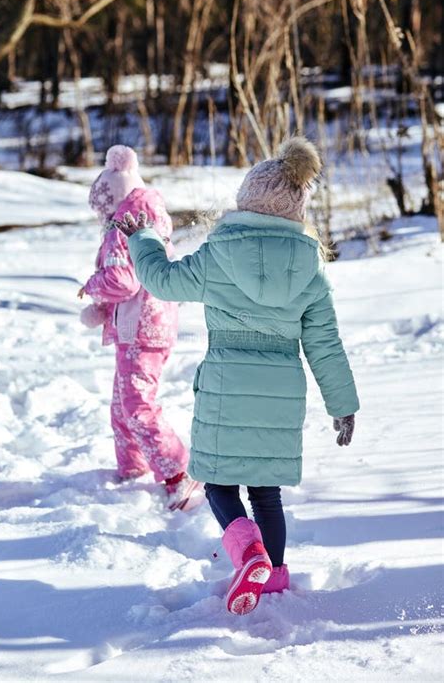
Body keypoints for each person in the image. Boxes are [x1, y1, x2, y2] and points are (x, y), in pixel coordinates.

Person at [115, 136, 359, 615]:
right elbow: (325, 343)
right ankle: (273, 580)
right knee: (266, 491)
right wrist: (342, 404)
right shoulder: (310, 267)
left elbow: (162, 279)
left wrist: (141, 238)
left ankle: (250, 556)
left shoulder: (219, 252)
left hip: (227, 385)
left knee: (219, 483)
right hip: (281, 391)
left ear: (247, 201)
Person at [78, 145, 203, 511]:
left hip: (142, 328)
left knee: (136, 405)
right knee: (122, 405)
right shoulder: (145, 219)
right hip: (146, 324)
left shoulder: (124, 223)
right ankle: (132, 470)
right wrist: (104, 310)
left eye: (102, 211)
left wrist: (93, 285)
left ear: (112, 201)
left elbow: (123, 279)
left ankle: (179, 471)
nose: (102, 218)